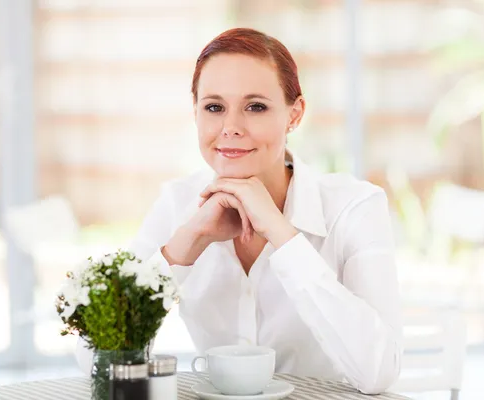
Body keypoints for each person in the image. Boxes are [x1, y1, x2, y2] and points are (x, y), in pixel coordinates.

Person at [76, 27, 402, 395]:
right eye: (214, 107)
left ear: (295, 114)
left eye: (256, 107)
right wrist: (184, 247)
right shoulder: (176, 203)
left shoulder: (354, 206)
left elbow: (378, 373)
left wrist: (283, 235)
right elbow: (95, 362)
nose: (230, 128)